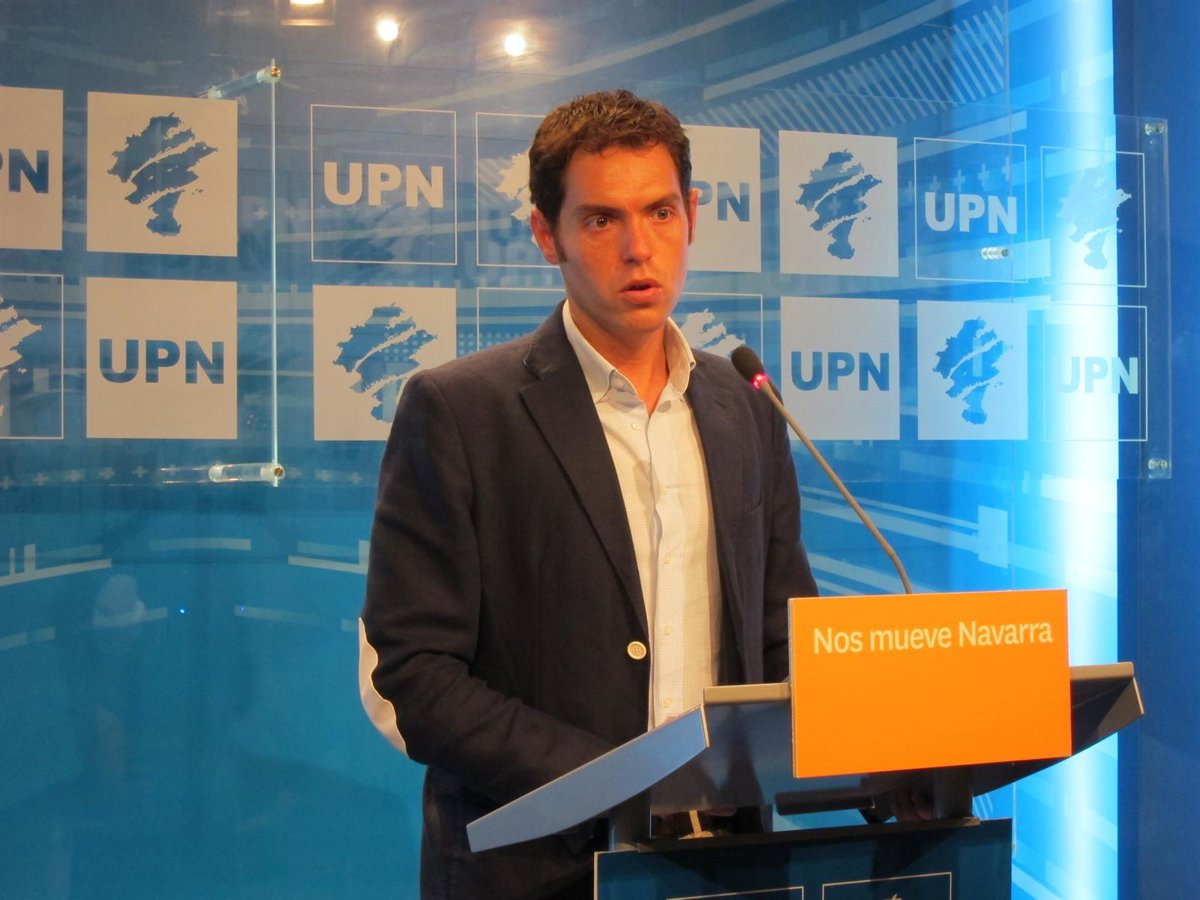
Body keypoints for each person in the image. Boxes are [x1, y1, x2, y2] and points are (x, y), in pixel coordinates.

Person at [358, 88, 818, 900]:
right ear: (548, 235)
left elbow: (782, 631)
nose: (640, 249)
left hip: (727, 863)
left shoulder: (747, 404)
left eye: (661, 213)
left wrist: (876, 759)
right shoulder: (461, 411)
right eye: (603, 220)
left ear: (692, 216)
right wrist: (624, 784)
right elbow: (419, 675)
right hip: (538, 869)